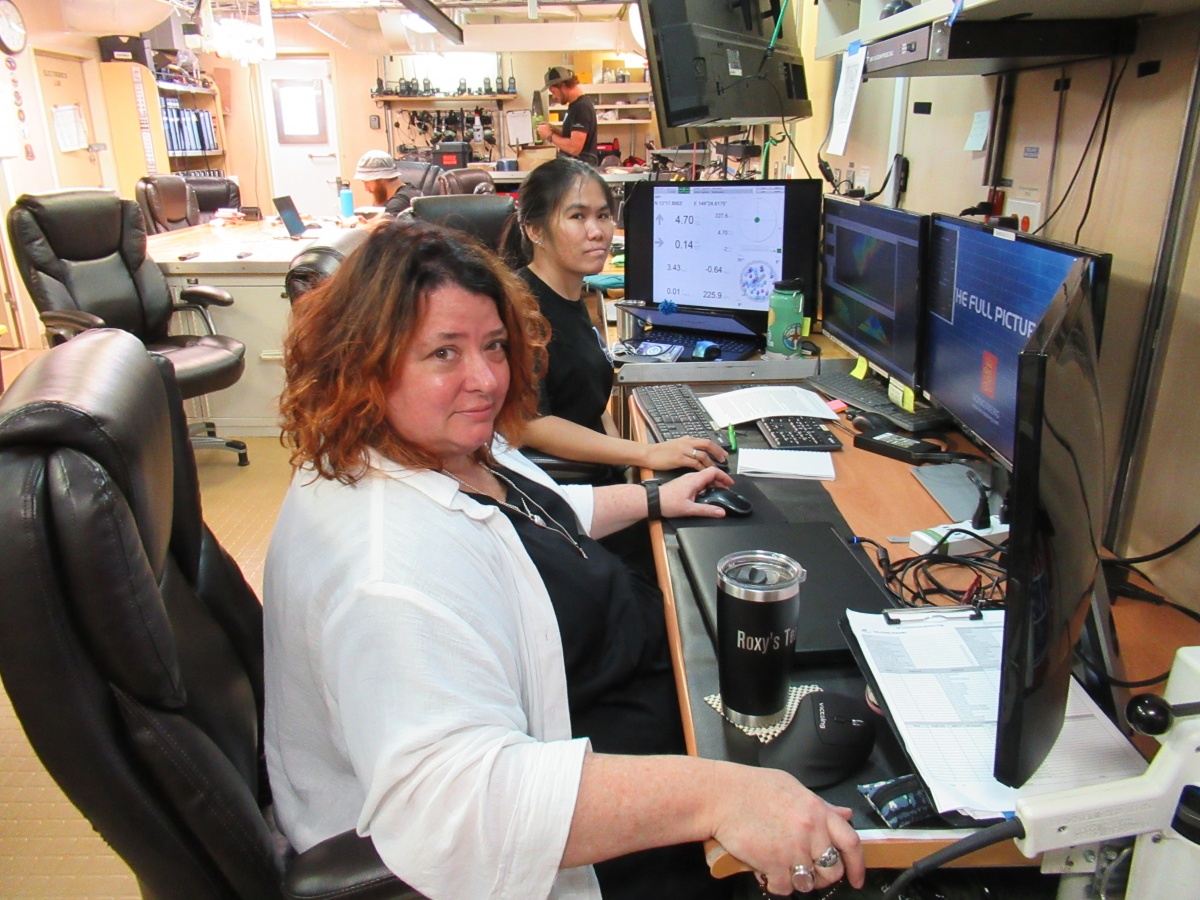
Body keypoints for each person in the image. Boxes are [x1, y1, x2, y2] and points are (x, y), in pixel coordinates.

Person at [266, 218, 864, 900]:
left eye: (494, 346)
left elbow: (534, 516)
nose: (486, 379)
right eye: (443, 354)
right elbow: (461, 808)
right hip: (571, 846)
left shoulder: (429, 443)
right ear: (364, 363)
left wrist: (653, 501)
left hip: (613, 715)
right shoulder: (387, 573)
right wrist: (721, 796)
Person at [506, 155, 727, 473]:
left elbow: (592, 406)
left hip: (599, 473)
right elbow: (531, 425)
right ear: (535, 230)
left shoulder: (568, 294)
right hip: (569, 496)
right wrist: (644, 456)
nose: (596, 231)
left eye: (604, 215)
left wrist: (630, 467)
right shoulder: (522, 309)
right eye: (578, 216)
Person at [537, 66, 599, 167]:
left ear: (562, 86)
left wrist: (549, 135)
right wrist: (553, 129)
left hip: (579, 172)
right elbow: (571, 136)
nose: (554, 97)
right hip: (574, 169)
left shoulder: (581, 107)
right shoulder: (574, 105)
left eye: (553, 92)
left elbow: (574, 148)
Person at [354, 149, 418, 216]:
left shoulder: (398, 204)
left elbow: (383, 224)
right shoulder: (409, 192)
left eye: (366, 182)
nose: (366, 189)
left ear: (380, 178)